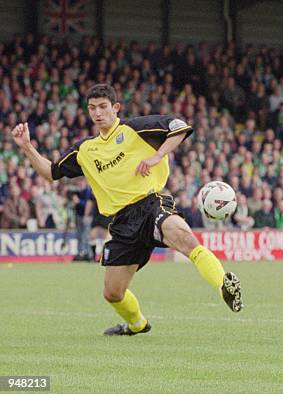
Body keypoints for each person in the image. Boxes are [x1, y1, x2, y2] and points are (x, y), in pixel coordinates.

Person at [9, 83, 243, 337]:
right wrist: (26, 147)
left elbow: (179, 127)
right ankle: (137, 325)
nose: (97, 113)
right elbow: (51, 172)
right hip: (121, 223)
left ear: (115, 108)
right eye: (92, 108)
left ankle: (223, 285)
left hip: (151, 203)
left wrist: (156, 156)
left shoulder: (135, 128)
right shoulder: (85, 150)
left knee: (184, 238)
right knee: (112, 292)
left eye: (102, 107)